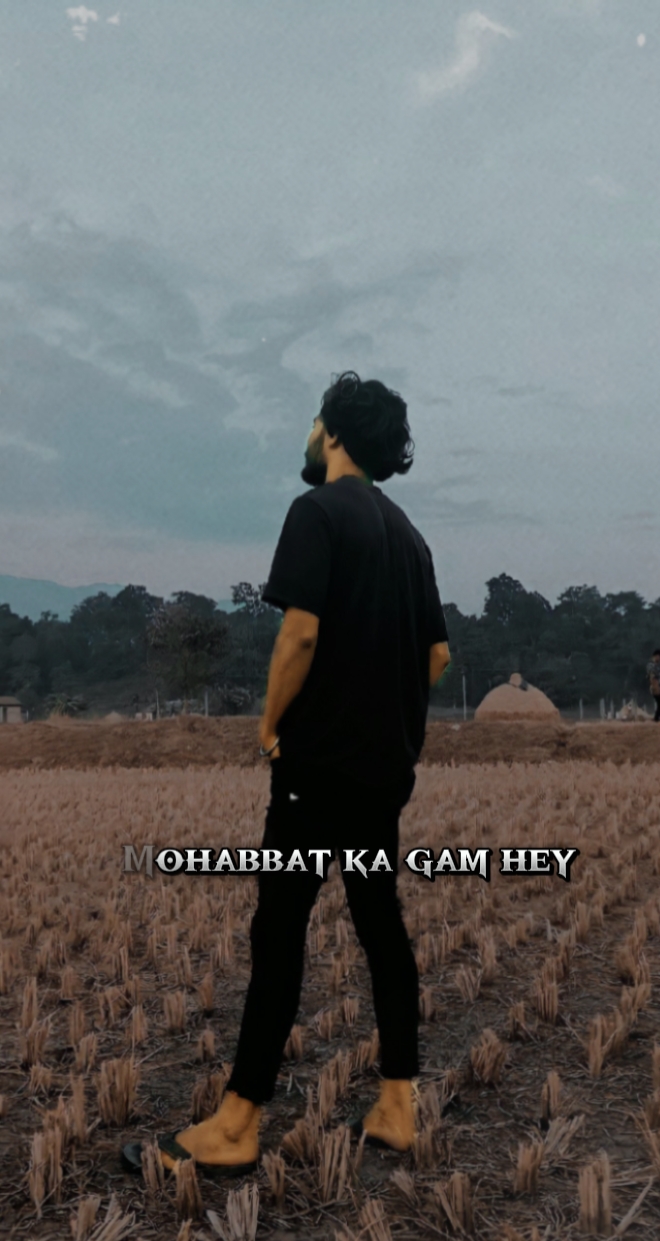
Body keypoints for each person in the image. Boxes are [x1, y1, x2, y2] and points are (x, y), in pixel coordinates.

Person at [122, 371, 451, 1177]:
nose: (307, 431)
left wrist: (271, 725)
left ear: (332, 431)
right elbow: (438, 656)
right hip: (381, 773)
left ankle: (237, 1124)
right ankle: (398, 1106)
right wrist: (385, 712)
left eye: (314, 420)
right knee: (380, 924)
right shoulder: (410, 536)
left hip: (315, 770)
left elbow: (299, 635)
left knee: (279, 932)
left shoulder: (317, 511)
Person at [647, 649, 660, 722]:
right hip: (655, 686)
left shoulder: (654, 665)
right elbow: (652, 677)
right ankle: (657, 719)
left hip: (658, 685)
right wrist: (656, 687)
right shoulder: (651, 665)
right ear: (657, 656)